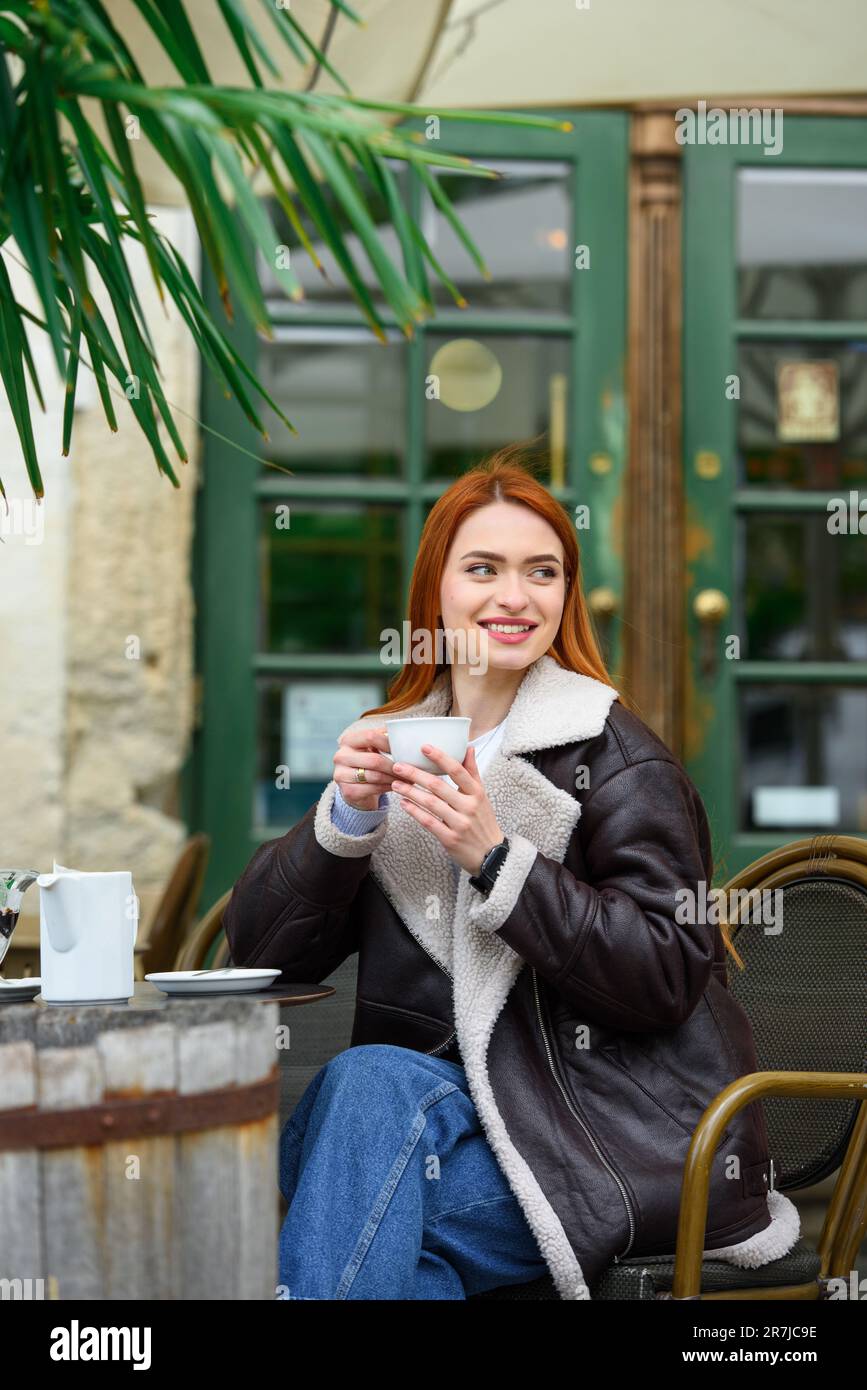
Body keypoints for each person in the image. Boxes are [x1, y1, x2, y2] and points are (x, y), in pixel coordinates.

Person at [224, 446, 800, 1300]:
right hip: (437, 1133)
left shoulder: (617, 759)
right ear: (435, 590)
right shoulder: (394, 749)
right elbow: (261, 959)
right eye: (483, 568)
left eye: (542, 572)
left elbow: (668, 975)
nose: (513, 596)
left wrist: (501, 864)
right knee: (377, 1148)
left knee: (351, 1145)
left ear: (565, 595)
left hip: (606, 1140)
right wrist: (345, 823)